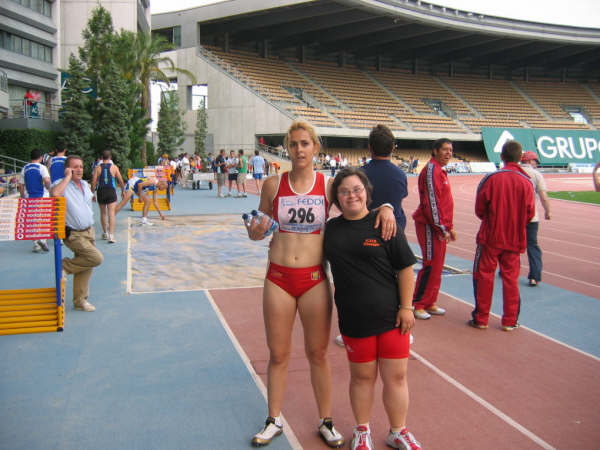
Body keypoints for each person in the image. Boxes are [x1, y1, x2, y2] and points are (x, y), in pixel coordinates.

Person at [245, 121, 396, 448]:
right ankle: (273, 419)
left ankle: (325, 420)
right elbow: (259, 227)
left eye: (305, 144)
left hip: (314, 279)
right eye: (294, 144)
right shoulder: (273, 185)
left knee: (318, 353)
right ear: (287, 148)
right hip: (279, 279)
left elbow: (359, 206)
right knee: (278, 354)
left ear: (315, 147)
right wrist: (255, 232)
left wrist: (385, 207)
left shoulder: (328, 186)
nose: (299, 150)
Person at [324, 168, 420, 450]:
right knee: (362, 378)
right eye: (344, 191)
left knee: (396, 377)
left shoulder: (384, 223)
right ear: (337, 198)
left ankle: (397, 431)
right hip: (355, 320)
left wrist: (407, 307)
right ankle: (362, 430)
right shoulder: (331, 230)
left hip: (392, 317)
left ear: (366, 191)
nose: (351, 195)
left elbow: (405, 268)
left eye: (356, 189)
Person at [470, 140, 534, 331]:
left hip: (490, 237)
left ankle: (481, 318)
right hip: (514, 238)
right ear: (520, 158)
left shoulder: (491, 179)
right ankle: (510, 320)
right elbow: (530, 213)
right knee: (511, 279)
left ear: (502, 157)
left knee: (484, 277)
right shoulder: (526, 182)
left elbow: (479, 209)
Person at [51, 155, 103, 312]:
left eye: (81, 166)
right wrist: (67, 177)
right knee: (95, 258)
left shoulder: (85, 185)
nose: (79, 169)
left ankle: (80, 300)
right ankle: (64, 266)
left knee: (86, 265)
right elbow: (55, 194)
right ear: (67, 169)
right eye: (75, 167)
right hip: (73, 233)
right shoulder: (61, 184)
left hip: (88, 231)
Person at [412, 138, 456, 320]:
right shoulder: (431, 170)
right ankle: (418, 303)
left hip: (440, 227)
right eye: (445, 149)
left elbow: (444, 203)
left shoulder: (440, 171)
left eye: (451, 150)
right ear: (435, 150)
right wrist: (441, 227)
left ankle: (430, 301)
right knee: (430, 264)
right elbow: (431, 202)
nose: (449, 153)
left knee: (438, 265)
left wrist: (449, 227)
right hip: (430, 226)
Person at [362, 125, 408, 231]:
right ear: (392, 148)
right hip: (395, 230)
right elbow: (402, 196)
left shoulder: (359, 174)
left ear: (369, 147)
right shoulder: (401, 175)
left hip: (367, 229)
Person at [520, 151, 552, 287]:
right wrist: (548, 211)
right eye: (535, 162)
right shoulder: (536, 175)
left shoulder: (512, 172)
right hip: (531, 217)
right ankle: (534, 276)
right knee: (532, 245)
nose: (536, 165)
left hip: (513, 217)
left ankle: (506, 270)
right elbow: (543, 196)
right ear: (529, 161)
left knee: (510, 245)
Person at [19, 148, 51, 252]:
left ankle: (36, 244)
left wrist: (23, 196)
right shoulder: (42, 168)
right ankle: (43, 240)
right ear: (41, 157)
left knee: (32, 221)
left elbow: (21, 185)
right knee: (44, 219)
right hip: (42, 196)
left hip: (30, 197)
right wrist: (49, 188)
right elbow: (46, 181)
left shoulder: (24, 168)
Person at [91, 149, 125, 243]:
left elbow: (93, 182)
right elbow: (121, 180)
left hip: (101, 191)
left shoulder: (97, 168)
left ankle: (105, 233)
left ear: (101, 158)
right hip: (111, 191)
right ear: (110, 158)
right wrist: (123, 191)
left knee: (103, 213)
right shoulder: (114, 167)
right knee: (111, 213)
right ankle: (111, 235)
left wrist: (92, 194)